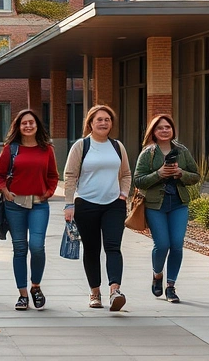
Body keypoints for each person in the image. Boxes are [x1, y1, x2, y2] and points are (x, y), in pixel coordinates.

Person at [62, 105, 132, 312]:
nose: (103, 123)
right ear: (90, 123)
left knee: (113, 247)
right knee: (92, 250)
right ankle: (95, 292)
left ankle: (115, 291)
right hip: (86, 204)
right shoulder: (81, 146)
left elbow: (127, 173)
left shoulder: (117, 146)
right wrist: (69, 204)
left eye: (107, 119)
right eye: (99, 119)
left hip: (113, 205)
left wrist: (123, 195)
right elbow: (70, 175)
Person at [0, 109, 58, 311]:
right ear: (18, 127)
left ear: (37, 125)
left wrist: (47, 193)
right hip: (15, 206)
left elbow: (53, 176)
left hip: (39, 205)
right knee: (20, 249)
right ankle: (22, 295)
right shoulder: (10, 149)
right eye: (24, 123)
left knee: (37, 246)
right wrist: (5, 192)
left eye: (31, 122)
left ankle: (35, 287)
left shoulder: (46, 149)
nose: (28, 126)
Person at [133, 114, 200, 304]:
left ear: (173, 130)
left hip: (178, 203)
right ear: (153, 132)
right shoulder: (148, 153)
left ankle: (171, 286)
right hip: (156, 205)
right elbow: (138, 180)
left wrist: (181, 173)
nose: (164, 130)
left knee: (177, 245)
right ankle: (157, 275)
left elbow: (195, 176)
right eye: (160, 128)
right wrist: (158, 174)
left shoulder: (182, 151)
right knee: (162, 245)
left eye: (167, 127)